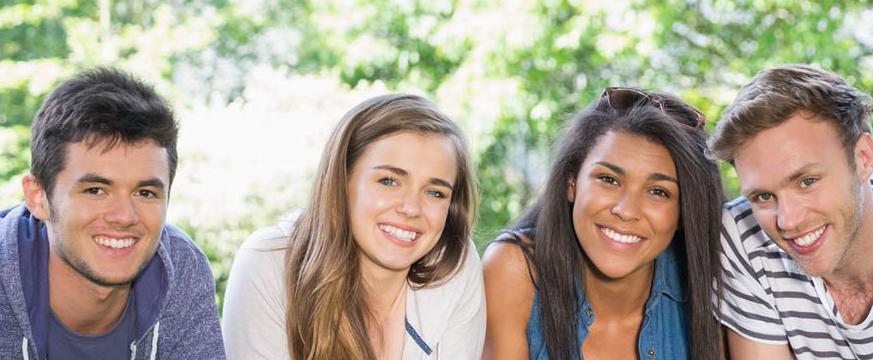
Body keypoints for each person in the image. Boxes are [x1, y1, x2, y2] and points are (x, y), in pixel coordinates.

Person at [222, 94, 485, 359]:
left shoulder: (454, 267)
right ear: (341, 180)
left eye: (435, 193)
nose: (411, 208)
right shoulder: (268, 263)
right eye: (389, 181)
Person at [710, 64, 873, 359]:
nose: (788, 220)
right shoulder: (743, 236)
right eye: (764, 196)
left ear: (863, 158)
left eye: (807, 182)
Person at [482, 87, 726, 359]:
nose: (626, 211)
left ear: (684, 212)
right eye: (609, 179)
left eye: (659, 192)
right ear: (571, 182)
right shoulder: (515, 269)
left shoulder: (714, 281)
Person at [0, 68, 225, 359]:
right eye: (95, 190)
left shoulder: (181, 270)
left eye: (145, 193)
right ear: (38, 196)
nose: (124, 216)